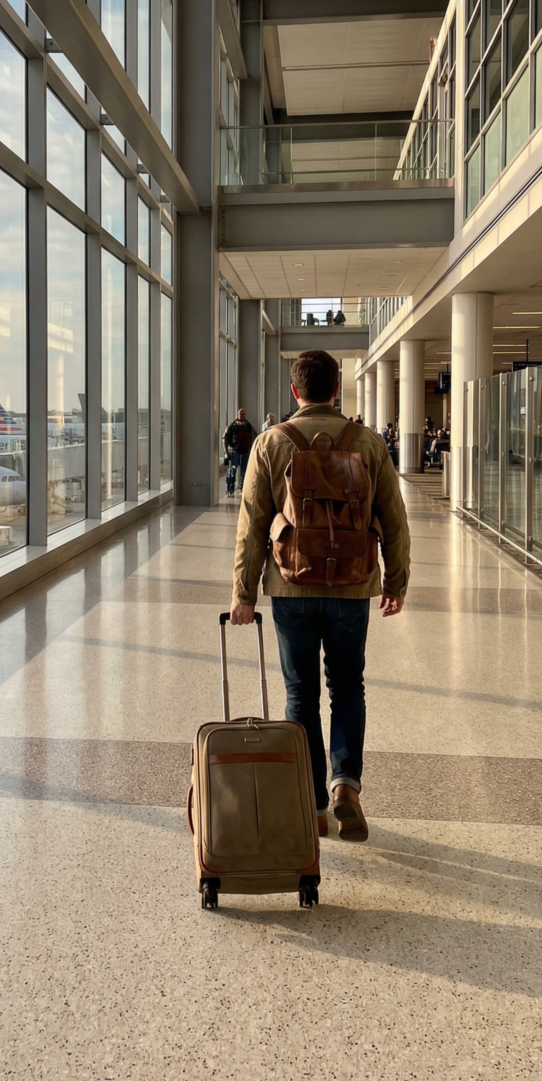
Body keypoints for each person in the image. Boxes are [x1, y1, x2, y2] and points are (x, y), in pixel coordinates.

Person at [230, 349, 410, 842]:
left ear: (295, 392)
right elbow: (394, 519)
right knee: (348, 686)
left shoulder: (271, 442)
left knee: (299, 694)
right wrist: (396, 582)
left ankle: (311, 804)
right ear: (337, 389)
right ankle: (346, 786)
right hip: (353, 586)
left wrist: (244, 593)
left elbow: (252, 525)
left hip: (292, 587)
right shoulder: (368, 443)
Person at [222, 408, 256, 493]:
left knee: (244, 472)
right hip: (234, 452)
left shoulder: (248, 426)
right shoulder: (232, 426)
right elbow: (224, 438)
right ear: (237, 415)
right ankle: (230, 489)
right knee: (232, 471)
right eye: (240, 414)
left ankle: (243, 487)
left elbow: (253, 439)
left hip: (245, 452)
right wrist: (226, 453)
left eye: (244, 414)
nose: (242, 415)